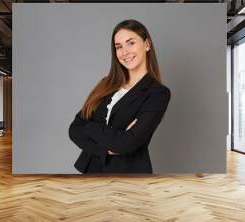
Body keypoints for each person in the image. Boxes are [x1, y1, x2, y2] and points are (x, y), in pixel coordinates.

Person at [68, 19, 171, 174]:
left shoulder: (158, 93)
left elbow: (125, 143)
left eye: (131, 43)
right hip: (91, 173)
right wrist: (107, 149)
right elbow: (74, 129)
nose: (125, 52)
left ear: (147, 44)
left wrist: (88, 127)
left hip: (129, 177)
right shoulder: (106, 83)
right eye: (119, 47)